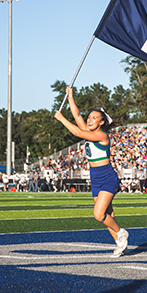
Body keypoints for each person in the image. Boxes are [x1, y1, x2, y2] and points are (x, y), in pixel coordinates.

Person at [55, 86, 129, 257]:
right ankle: (120, 244)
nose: (90, 119)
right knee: (108, 213)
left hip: (107, 176)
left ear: (101, 122)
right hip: (95, 177)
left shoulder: (102, 135)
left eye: (94, 118)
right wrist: (71, 97)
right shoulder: (89, 131)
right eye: (90, 117)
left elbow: (76, 131)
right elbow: (78, 116)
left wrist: (61, 118)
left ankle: (121, 233)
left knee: (98, 214)